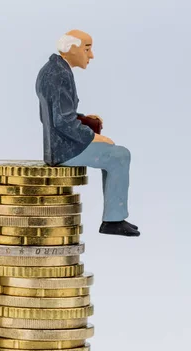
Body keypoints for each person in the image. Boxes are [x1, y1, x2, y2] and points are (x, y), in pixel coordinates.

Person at [36, 30, 140, 237]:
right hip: (64, 151)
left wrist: (84, 120)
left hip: (58, 145)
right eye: (87, 48)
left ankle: (114, 217)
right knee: (119, 155)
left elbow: (57, 115)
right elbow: (61, 121)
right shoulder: (58, 74)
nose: (91, 55)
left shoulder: (53, 69)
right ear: (72, 48)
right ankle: (113, 221)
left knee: (116, 153)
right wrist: (92, 136)